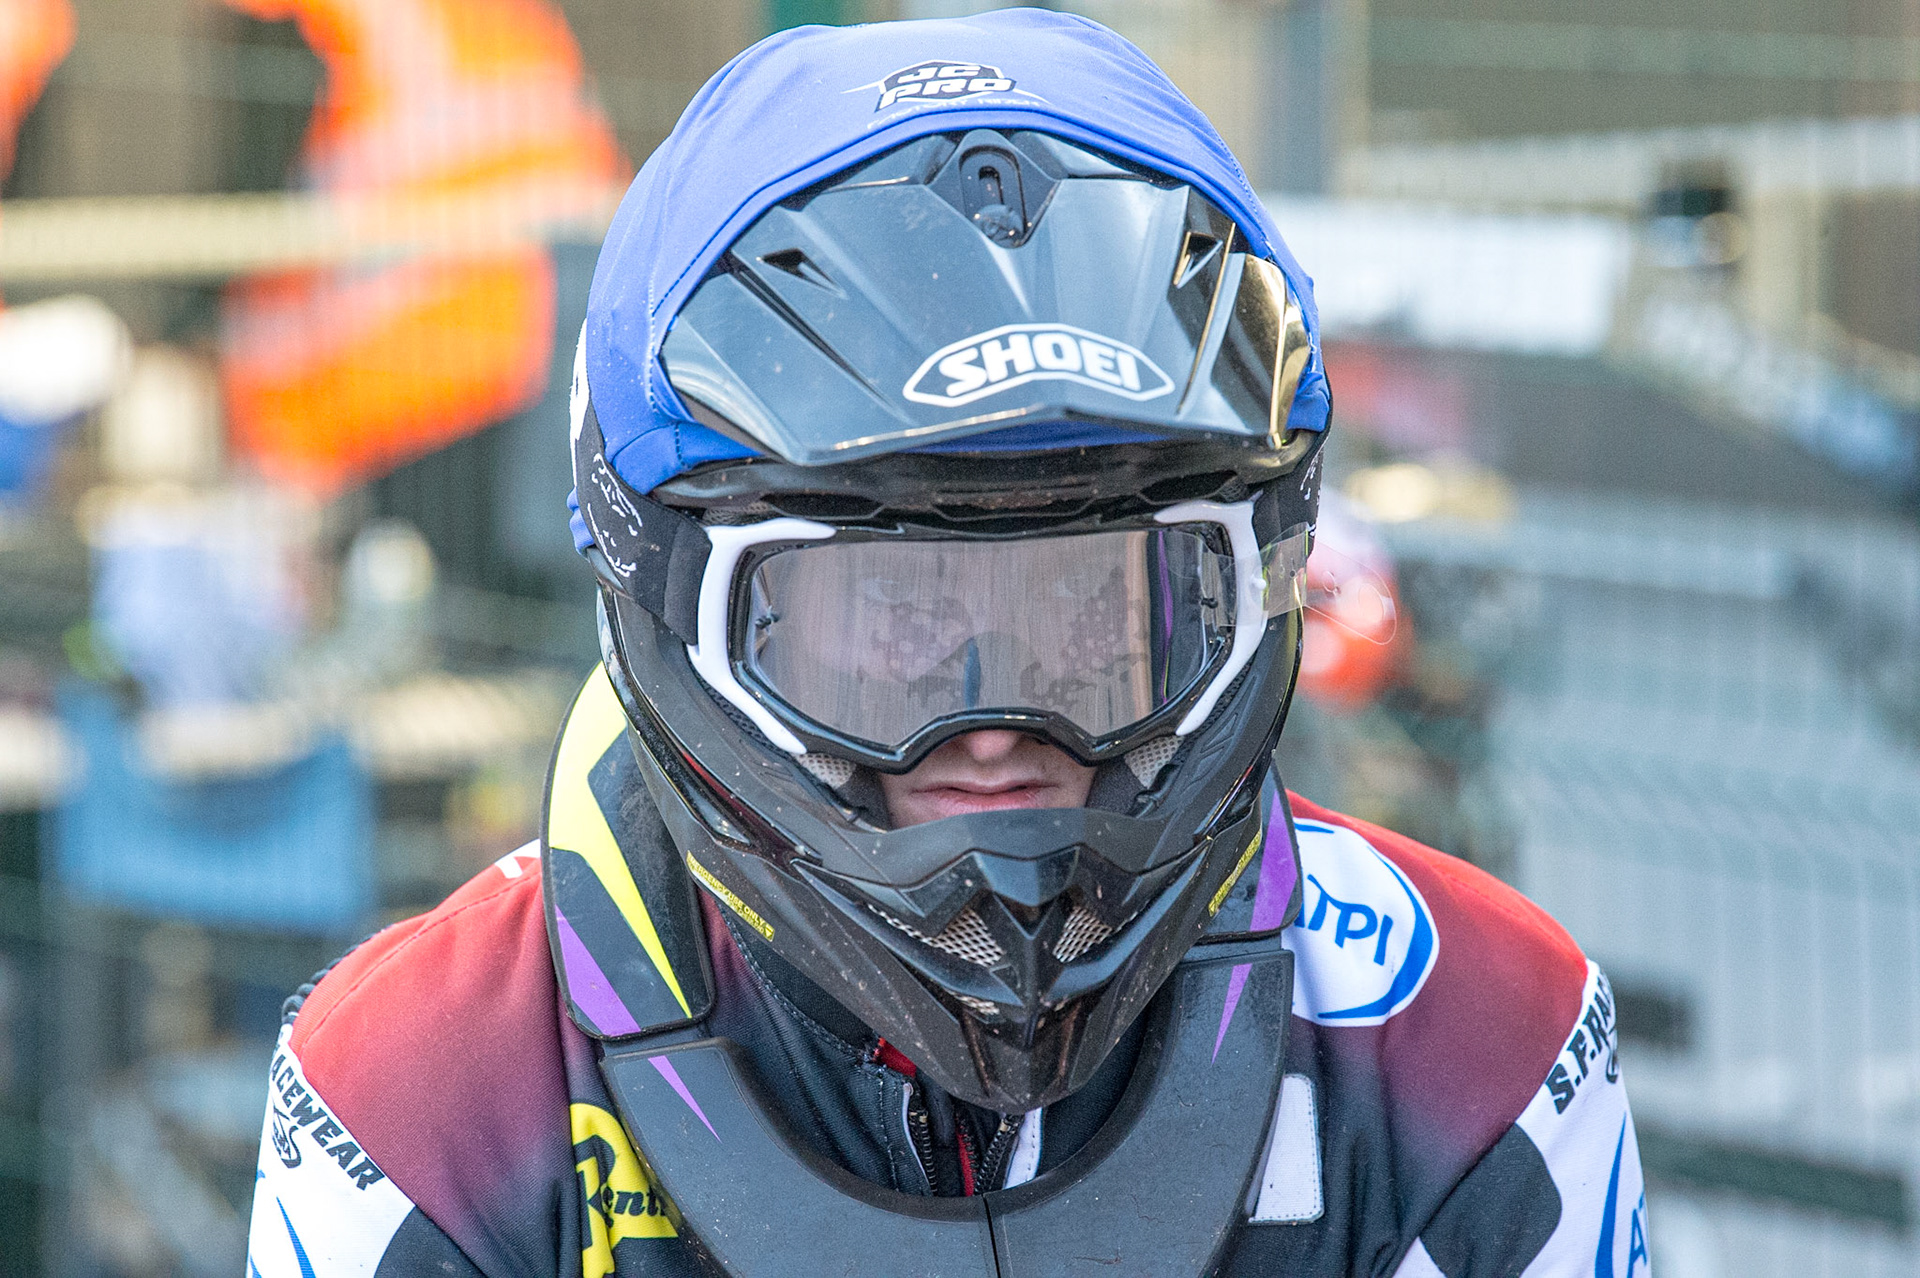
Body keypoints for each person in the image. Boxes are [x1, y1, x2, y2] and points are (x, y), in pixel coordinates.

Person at [244, 12, 1649, 1277]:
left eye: (1091, 619)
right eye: (895, 627)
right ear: (675, 595)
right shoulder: (422, 1102)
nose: (993, 736)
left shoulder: (1481, 1040)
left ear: (1247, 590)